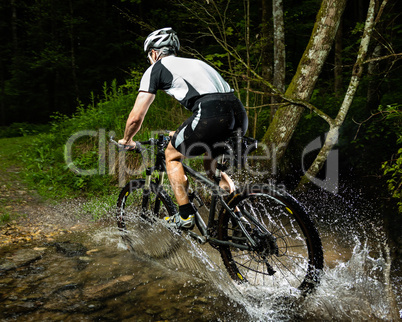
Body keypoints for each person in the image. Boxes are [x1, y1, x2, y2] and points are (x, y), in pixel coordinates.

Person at [118, 27, 248, 229]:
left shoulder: (156, 68)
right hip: (238, 113)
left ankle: (185, 216)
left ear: (154, 53)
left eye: (149, 56)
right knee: (211, 167)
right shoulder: (196, 63)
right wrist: (178, 132)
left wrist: (127, 139)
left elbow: (136, 116)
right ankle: (239, 221)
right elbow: (213, 100)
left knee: (171, 155)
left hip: (210, 114)